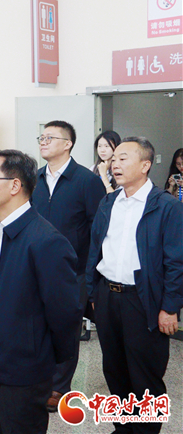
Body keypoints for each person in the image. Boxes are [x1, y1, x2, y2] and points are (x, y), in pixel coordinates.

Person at [0, 149, 81, 434]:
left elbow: (65, 313)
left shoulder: (45, 240)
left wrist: (48, 367)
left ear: (14, 186)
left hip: (23, 365)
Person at [87, 137, 183, 434]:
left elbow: (176, 262)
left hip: (143, 299)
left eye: (123, 158)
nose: (114, 164)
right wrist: (93, 293)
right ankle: (124, 428)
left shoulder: (166, 206)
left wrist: (170, 307)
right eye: (113, 158)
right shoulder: (108, 202)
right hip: (108, 296)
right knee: (114, 371)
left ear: (145, 165)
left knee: (145, 377)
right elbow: (95, 250)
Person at [31, 120, 106, 411]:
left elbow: (98, 230)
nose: (43, 142)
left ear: (68, 144)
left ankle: (59, 387)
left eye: (50, 137)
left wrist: (90, 274)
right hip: (36, 267)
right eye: (41, 137)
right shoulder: (35, 178)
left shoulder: (86, 180)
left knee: (65, 329)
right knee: (38, 327)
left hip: (73, 270)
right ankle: (39, 380)